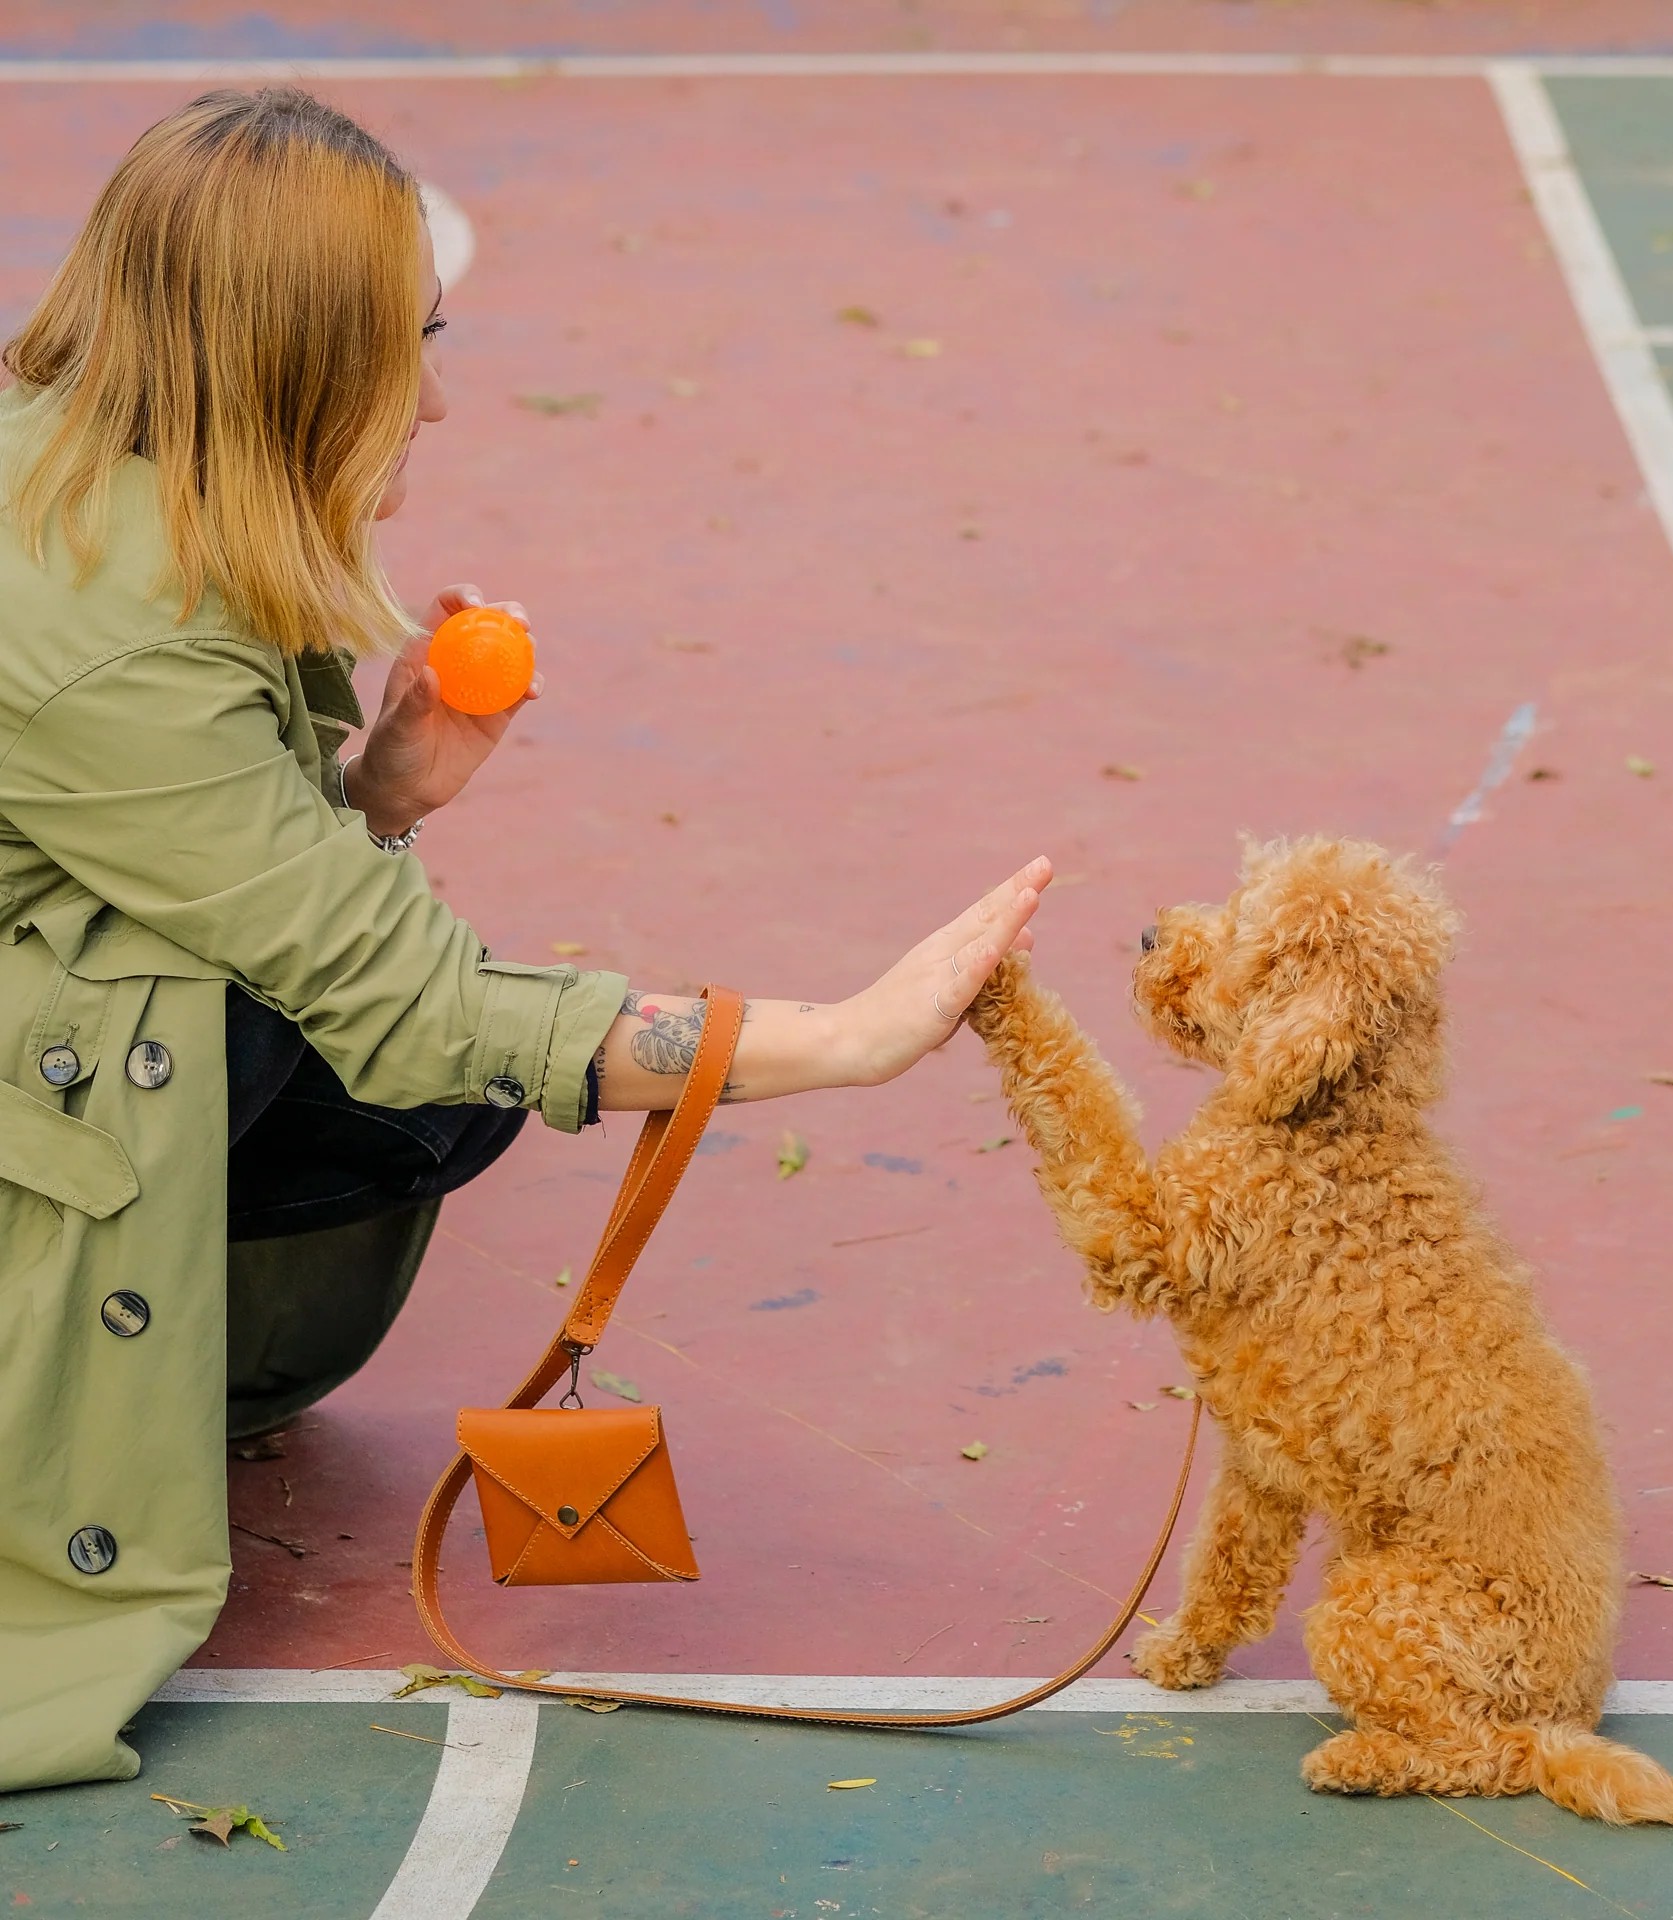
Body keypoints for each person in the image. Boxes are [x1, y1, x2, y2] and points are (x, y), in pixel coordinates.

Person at [0, 88, 1050, 1795]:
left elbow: (217, 874)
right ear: (297, 359)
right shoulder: (107, 633)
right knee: (397, 1043)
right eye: (408, 341)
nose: (432, 386)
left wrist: (380, 796)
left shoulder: (95, 477)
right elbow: (398, 994)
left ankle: (165, 1356)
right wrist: (841, 1037)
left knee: (399, 1072)